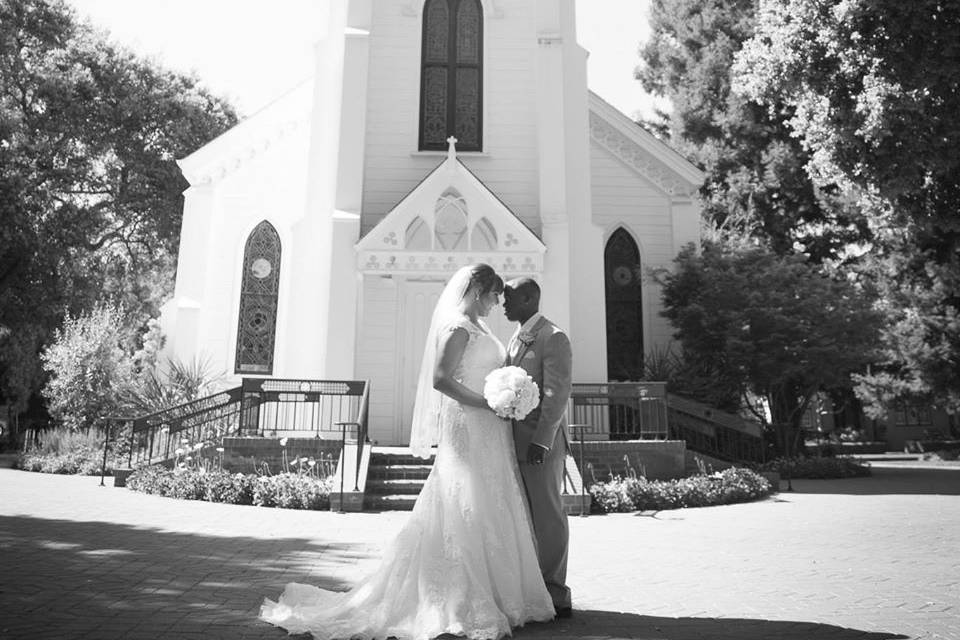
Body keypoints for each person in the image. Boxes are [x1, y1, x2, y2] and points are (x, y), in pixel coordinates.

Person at [260, 264, 555, 640]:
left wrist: (506, 397)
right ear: (478, 290)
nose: (498, 303)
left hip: (490, 428)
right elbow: (441, 379)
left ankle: (505, 594)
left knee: (491, 500)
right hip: (468, 422)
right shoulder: (457, 326)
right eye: (495, 295)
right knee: (463, 501)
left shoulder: (480, 326)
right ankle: (457, 598)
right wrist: (486, 402)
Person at [502, 277, 573, 619]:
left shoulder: (553, 337)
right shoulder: (516, 336)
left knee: (547, 515)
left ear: (529, 298)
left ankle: (556, 593)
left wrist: (542, 439)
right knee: (526, 517)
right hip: (513, 442)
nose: (503, 303)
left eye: (510, 297)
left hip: (539, 446)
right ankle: (533, 592)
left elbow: (556, 394)